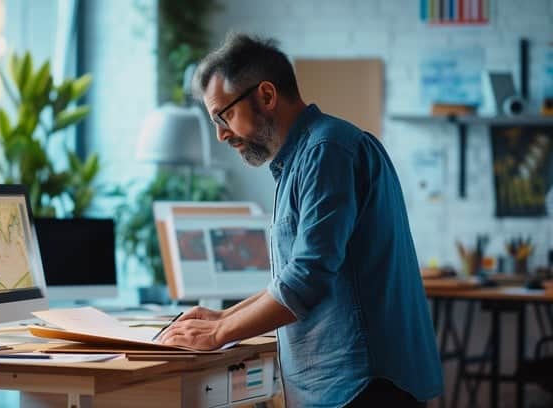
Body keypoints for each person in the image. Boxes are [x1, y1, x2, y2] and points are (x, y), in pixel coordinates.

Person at [157, 33, 443, 407]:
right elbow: (294, 276)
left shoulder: (326, 152)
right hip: (354, 387)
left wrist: (219, 333)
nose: (221, 134)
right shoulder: (309, 155)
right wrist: (222, 317)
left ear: (266, 96)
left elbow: (308, 276)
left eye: (223, 115)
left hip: (363, 389)